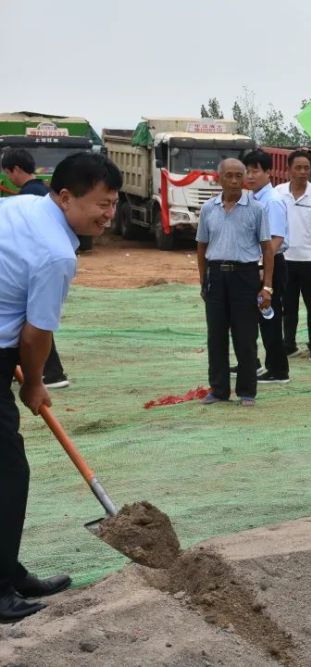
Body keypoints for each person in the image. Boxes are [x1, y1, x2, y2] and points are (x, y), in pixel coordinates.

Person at [0, 152, 121, 620]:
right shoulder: (56, 253)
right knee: (9, 473)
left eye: (113, 204)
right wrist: (34, 384)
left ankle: (8, 568)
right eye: (101, 204)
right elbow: (35, 334)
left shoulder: (20, 206)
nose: (108, 215)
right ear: (66, 196)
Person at [197, 158, 273, 406]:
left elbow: (267, 249)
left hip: (245, 276)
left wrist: (267, 286)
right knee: (216, 335)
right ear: (218, 177)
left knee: (245, 335)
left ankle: (247, 391)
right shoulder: (209, 208)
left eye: (238, 176)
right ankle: (218, 390)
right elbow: (202, 247)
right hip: (216, 276)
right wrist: (203, 280)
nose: (233, 181)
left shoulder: (256, 208)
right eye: (228, 175)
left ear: (244, 179)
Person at [1, 148, 70, 389]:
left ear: (16, 169)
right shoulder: (40, 192)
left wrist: (32, 384)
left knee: (38, 327)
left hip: (38, 273)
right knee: (39, 325)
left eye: (8, 172)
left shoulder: (29, 198)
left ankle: (52, 374)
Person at [275, 150, 311, 362]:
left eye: (306, 168)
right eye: (298, 168)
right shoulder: (278, 193)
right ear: (289, 169)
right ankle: (288, 344)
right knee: (287, 305)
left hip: (310, 260)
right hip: (285, 258)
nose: (302, 172)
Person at [241, 150, 290, 384]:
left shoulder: (272, 201)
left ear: (268, 172)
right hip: (255, 263)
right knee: (254, 316)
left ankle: (278, 369)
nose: (250, 176)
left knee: (269, 315)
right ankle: (253, 362)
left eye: (255, 171)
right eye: (247, 171)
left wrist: (262, 268)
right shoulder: (252, 198)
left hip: (270, 265)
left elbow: (276, 239)